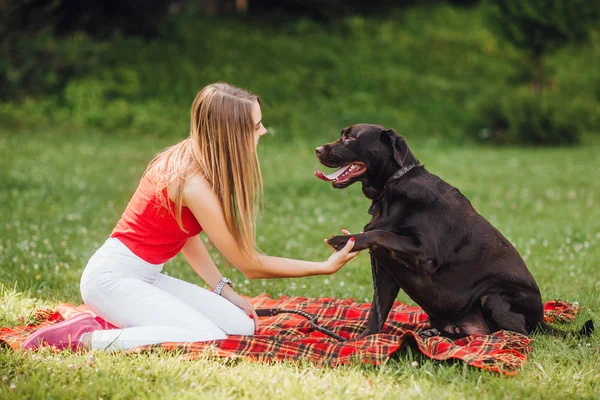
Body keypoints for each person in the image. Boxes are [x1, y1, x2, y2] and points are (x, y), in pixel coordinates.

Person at [22, 82, 358, 352]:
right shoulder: (191, 182)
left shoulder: (195, 160)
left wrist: (222, 290)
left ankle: (120, 323)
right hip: (111, 279)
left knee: (242, 326)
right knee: (203, 335)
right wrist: (324, 267)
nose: (264, 131)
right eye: (256, 125)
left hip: (145, 278)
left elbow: (186, 235)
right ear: (232, 133)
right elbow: (251, 265)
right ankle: (84, 337)